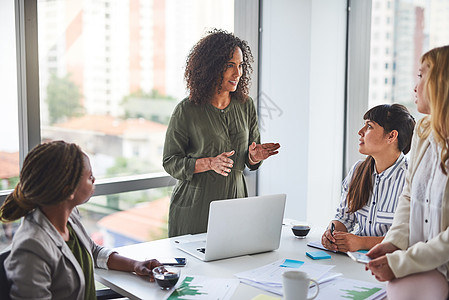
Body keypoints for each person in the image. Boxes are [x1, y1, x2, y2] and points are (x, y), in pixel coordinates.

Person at [0, 141, 161, 300]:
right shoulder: (31, 249)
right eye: (90, 176)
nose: (94, 179)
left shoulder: (69, 216)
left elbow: (93, 251)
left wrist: (135, 265)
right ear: (68, 190)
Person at [163, 29, 280, 237]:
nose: (238, 73)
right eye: (230, 66)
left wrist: (254, 157)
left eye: (240, 65)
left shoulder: (246, 105)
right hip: (194, 209)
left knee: (234, 264)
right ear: (212, 67)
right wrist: (208, 163)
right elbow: (170, 162)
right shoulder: (187, 109)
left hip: (235, 204)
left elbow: (249, 159)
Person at [366, 46, 449, 300]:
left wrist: (403, 262)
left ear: (441, 83)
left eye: (422, 76)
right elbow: (410, 196)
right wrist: (395, 242)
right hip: (422, 276)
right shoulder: (424, 130)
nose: (415, 86)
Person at [321, 104, 415, 252]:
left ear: (391, 136)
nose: (360, 132)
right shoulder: (358, 170)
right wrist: (332, 234)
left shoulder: (412, 178)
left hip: (392, 264)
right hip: (356, 260)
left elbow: (412, 238)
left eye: (369, 126)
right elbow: (344, 218)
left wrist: (363, 243)